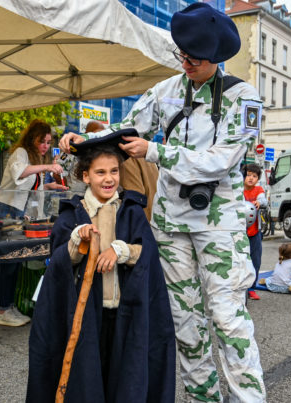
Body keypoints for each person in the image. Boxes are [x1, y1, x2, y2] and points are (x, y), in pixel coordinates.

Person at [59, 3, 266, 401]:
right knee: (185, 325)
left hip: (218, 225)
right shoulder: (167, 90)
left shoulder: (244, 98)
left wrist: (155, 152)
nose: (186, 64)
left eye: (195, 59)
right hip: (171, 225)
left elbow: (224, 159)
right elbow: (125, 129)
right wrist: (81, 142)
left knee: (228, 322)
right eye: (182, 55)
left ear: (216, 59)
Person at [27, 133, 176, 402]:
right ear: (85, 176)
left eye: (114, 171)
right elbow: (59, 263)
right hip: (87, 318)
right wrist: (78, 240)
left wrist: (121, 250)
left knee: (123, 377)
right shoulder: (73, 214)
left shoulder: (130, 210)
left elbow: (148, 254)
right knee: (87, 378)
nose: (109, 178)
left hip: (123, 315)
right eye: (100, 172)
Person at [0, 119, 67, 327]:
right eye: (42, 141)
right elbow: (21, 172)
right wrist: (49, 166)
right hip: (7, 210)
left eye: (48, 142)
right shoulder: (21, 153)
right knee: (9, 261)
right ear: (32, 138)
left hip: (20, 213)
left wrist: (50, 185)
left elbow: (32, 184)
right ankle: (4, 310)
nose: (45, 146)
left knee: (15, 261)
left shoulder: (34, 158)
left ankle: (9, 306)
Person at [243, 164, 267, 301]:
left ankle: (252, 288)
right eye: (248, 175)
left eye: (254, 176)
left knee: (255, 262)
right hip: (240, 232)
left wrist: (259, 201)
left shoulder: (258, 189)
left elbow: (263, 199)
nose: (251, 178)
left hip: (254, 234)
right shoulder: (238, 189)